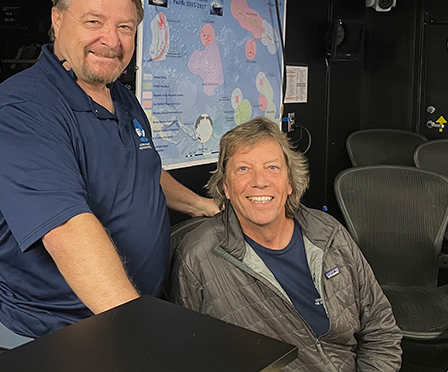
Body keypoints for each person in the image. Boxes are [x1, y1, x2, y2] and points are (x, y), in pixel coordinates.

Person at [0, 0, 219, 338]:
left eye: (125, 27)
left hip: (133, 307)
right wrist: (139, 330)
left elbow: (145, 170)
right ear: (57, 20)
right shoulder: (25, 108)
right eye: (94, 22)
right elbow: (67, 229)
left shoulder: (122, 97)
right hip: (66, 329)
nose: (111, 39)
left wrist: (203, 206)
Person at [170, 117, 402, 372]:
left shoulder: (329, 232)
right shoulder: (197, 257)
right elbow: (190, 358)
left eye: (272, 167)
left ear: (290, 182)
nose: (260, 181)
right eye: (243, 169)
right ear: (226, 186)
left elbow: (381, 332)